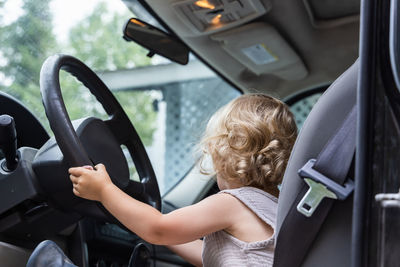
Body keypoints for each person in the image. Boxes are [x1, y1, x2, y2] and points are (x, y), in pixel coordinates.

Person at [28, 94, 297, 267]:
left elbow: (158, 229)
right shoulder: (275, 209)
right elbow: (207, 258)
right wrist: (139, 220)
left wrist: (104, 190)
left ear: (224, 155)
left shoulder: (234, 203)